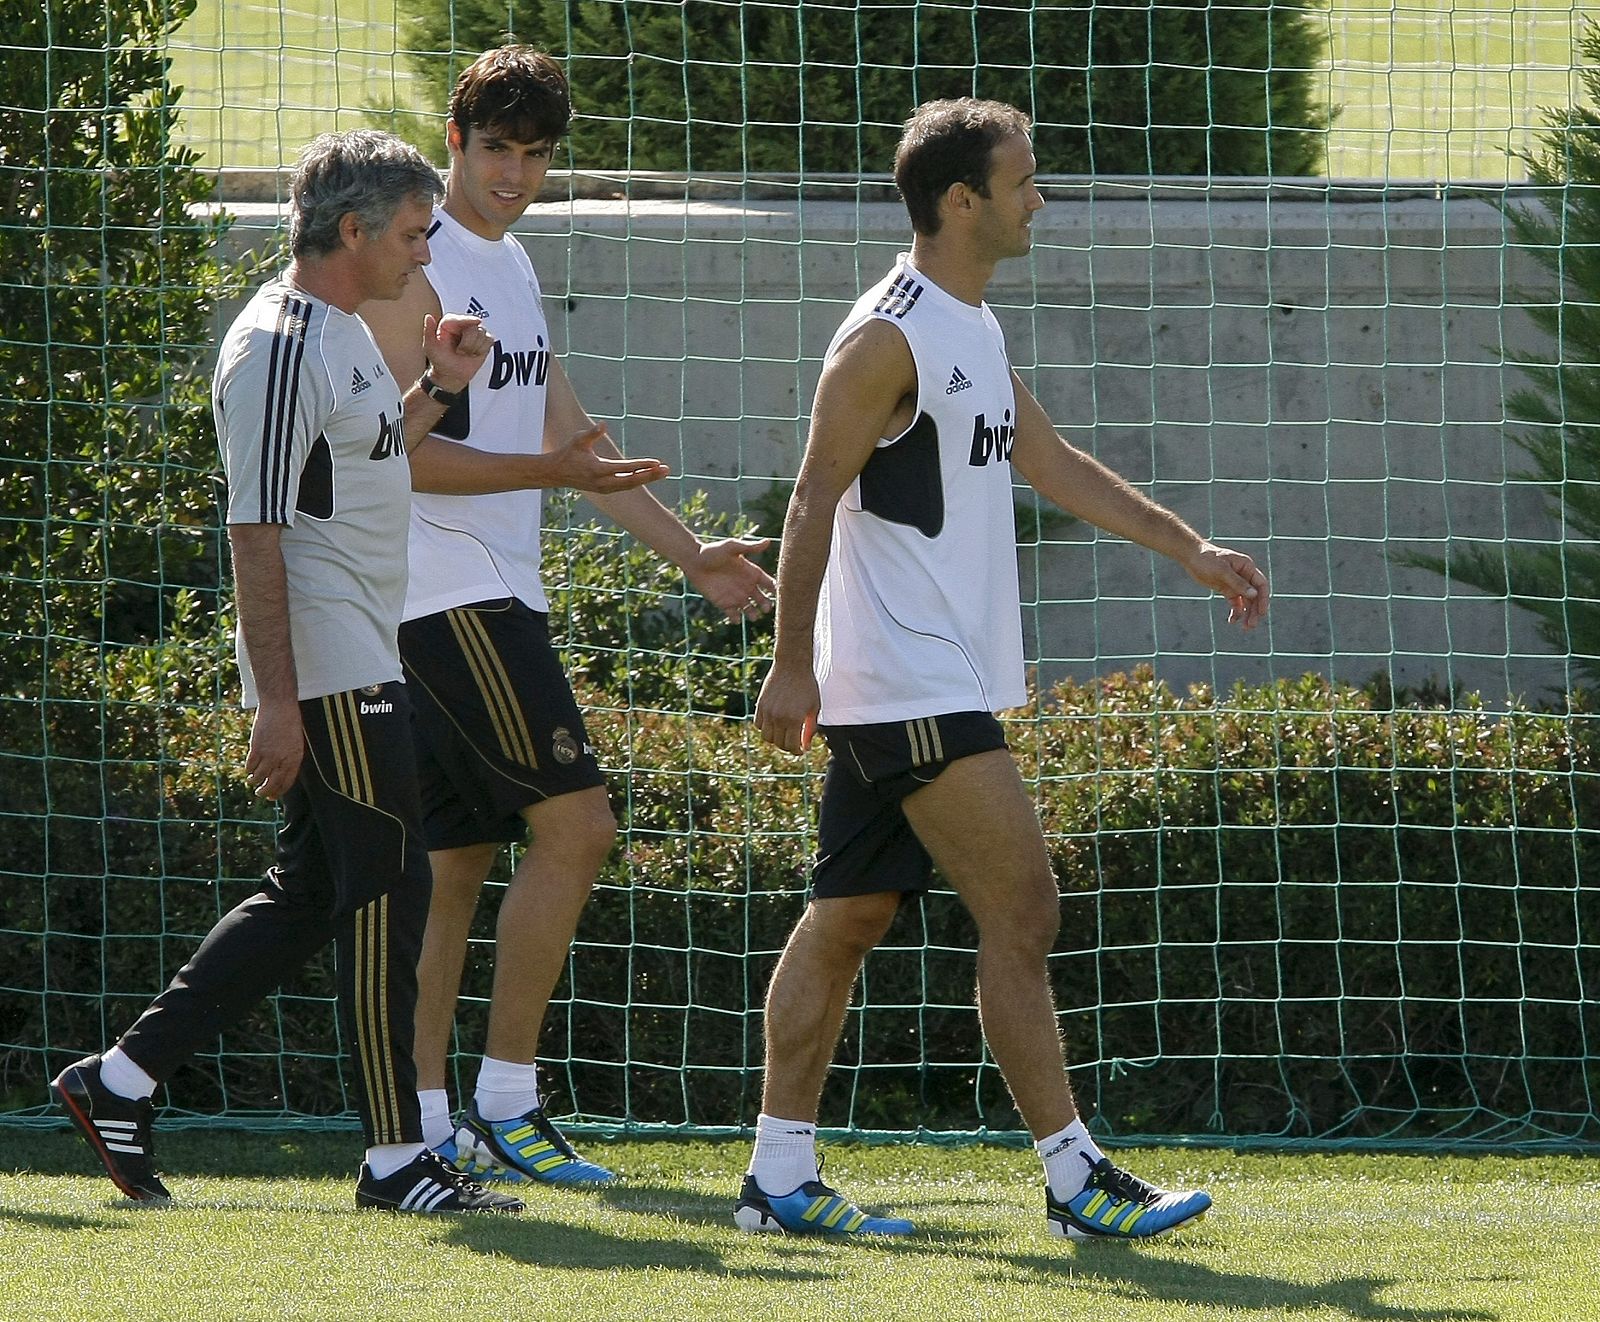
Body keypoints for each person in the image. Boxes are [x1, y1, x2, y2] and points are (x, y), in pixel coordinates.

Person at [743, 98, 1270, 1241]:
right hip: (906, 679)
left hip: (924, 681)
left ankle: (777, 1176)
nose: (1041, 198)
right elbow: (809, 495)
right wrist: (792, 664)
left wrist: (1191, 548)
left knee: (846, 918)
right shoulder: (884, 335)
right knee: (1024, 908)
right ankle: (1076, 1177)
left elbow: (1051, 458)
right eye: (1024, 181)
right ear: (959, 200)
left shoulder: (969, 325)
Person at [51, 129, 523, 1215]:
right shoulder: (273, 345)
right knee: (388, 885)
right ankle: (397, 1158)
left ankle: (117, 1079)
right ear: (350, 230)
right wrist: (276, 701)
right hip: (328, 663)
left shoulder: (344, 331)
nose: (423, 255)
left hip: (358, 649)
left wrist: (438, 389)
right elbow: (254, 531)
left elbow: (358, 466)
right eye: (410, 233)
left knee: (313, 888)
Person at [358, 45, 774, 1187]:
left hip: (487, 591)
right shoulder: (419, 263)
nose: (515, 175)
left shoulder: (515, 261)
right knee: (579, 827)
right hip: (445, 595)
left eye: (536, 156)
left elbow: (569, 433)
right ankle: (505, 1101)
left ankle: (427, 1120)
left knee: (454, 862)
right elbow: (405, 459)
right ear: (455, 141)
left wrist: (692, 555)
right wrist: (553, 475)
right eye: (497, 150)